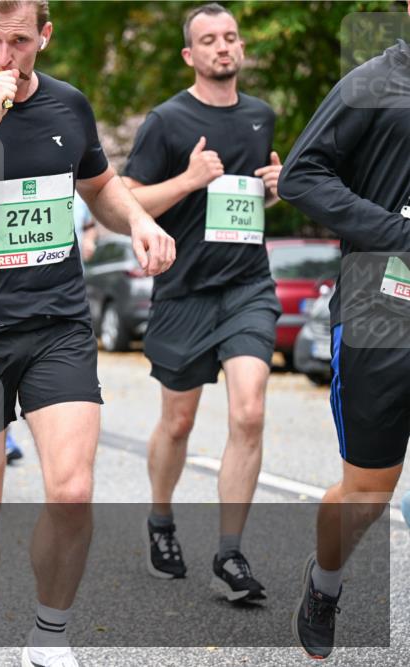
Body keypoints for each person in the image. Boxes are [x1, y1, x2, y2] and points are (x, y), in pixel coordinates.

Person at [0, 2, 175, 664]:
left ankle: (49, 636)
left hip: (58, 325)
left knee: (73, 491)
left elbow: (101, 187)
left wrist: (135, 219)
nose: (4, 54)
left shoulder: (69, 106)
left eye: (19, 40)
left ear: (43, 37)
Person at [121, 3, 283, 600]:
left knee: (249, 412)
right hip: (184, 291)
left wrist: (274, 186)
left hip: (247, 288)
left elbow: (243, 205)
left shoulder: (262, 116)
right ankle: (160, 518)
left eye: (231, 37)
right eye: (209, 40)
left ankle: (230, 554)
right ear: (190, 55)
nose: (223, 47)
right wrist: (189, 179)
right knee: (179, 420)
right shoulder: (166, 120)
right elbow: (128, 203)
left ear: (240, 49)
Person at [278, 26, 409, 660]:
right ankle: (324, 584)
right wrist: (394, 233)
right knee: (367, 492)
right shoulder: (371, 85)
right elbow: (301, 176)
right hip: (382, 308)